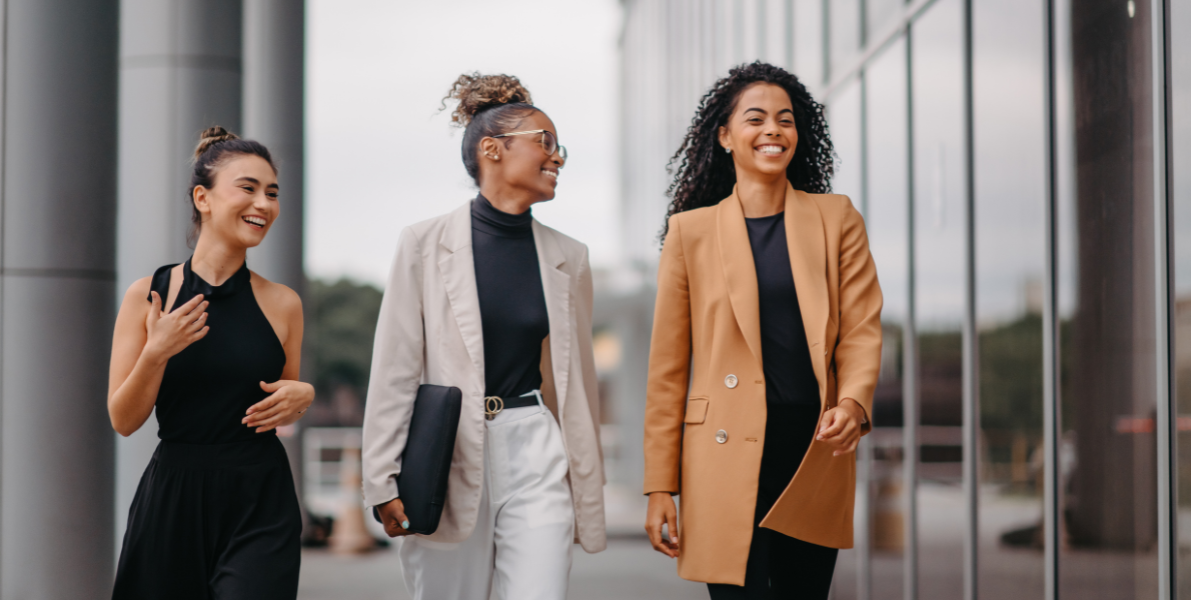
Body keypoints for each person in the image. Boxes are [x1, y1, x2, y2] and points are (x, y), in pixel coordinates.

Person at [642, 61, 883, 599]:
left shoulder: (837, 218)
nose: (773, 130)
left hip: (813, 446)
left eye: (786, 119)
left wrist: (853, 402)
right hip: (720, 450)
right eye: (756, 119)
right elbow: (667, 370)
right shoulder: (690, 234)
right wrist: (660, 485)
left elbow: (862, 328)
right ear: (725, 136)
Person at [361, 72, 606, 600]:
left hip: (534, 443)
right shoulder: (424, 244)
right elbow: (396, 367)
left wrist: (586, 476)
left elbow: (577, 380)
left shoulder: (571, 257)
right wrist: (381, 477)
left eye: (559, 147)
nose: (558, 156)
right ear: (493, 150)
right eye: (545, 143)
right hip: (448, 448)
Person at [108, 126, 312, 599]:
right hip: (173, 496)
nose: (264, 204)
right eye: (248, 188)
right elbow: (124, 419)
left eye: (272, 193)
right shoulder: (148, 295)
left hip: (259, 498)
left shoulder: (284, 304)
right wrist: (156, 352)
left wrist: (304, 395)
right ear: (203, 198)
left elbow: (282, 401)